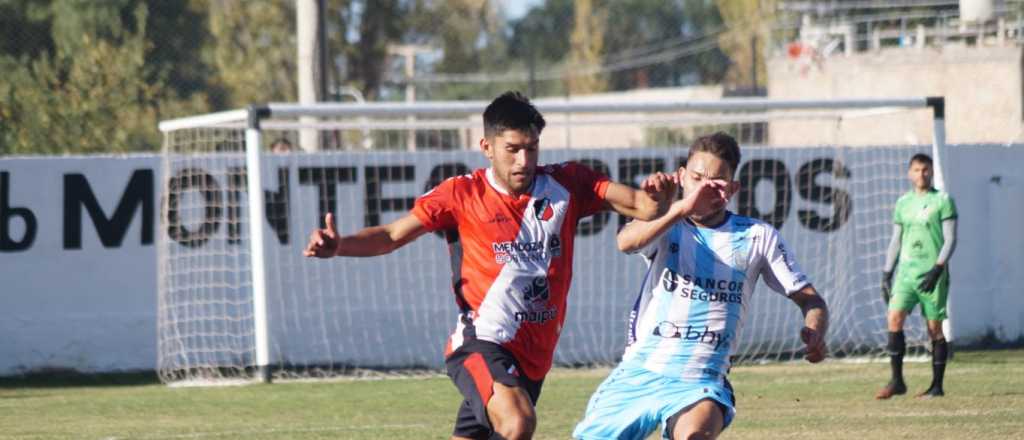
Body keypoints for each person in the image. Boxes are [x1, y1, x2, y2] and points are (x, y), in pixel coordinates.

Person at [304, 91, 674, 440]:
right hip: (480, 342)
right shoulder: (460, 194)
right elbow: (392, 234)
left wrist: (660, 199)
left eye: (531, 149)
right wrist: (340, 246)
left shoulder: (568, 183)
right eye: (512, 150)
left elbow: (642, 206)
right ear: (487, 147)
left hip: (533, 356)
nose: (524, 161)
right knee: (517, 421)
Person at [573, 132, 830, 440]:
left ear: (733, 189)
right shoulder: (669, 223)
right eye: (696, 178)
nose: (704, 189)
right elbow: (626, 242)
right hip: (641, 372)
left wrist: (815, 331)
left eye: (718, 183)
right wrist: (679, 207)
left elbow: (811, 300)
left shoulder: (757, 236)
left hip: (701, 381)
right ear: (681, 176)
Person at [876, 153, 957, 399]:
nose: (921, 174)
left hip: (933, 274)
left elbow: (951, 238)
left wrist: (938, 268)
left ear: (931, 172)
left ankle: (936, 387)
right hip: (906, 275)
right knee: (894, 318)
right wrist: (887, 272)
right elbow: (896, 240)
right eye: (917, 170)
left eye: (925, 170)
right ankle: (897, 381)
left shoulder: (943, 200)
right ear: (909, 173)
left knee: (934, 329)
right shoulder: (903, 203)